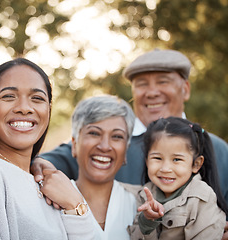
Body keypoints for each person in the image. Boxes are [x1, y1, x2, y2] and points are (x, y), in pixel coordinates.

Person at [34, 49, 228, 206]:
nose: (152, 92)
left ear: (185, 89)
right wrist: (38, 163)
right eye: (142, 84)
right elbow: (44, 162)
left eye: (163, 82)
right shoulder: (112, 144)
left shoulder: (219, 150)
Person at [0, 58, 95, 240]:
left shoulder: (50, 181)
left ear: (48, 110)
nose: (24, 108)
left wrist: (75, 204)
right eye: (9, 96)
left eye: (37, 98)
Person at [127, 117, 228, 239]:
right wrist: (147, 220)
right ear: (147, 161)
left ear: (196, 164)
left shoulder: (201, 198)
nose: (165, 168)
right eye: (157, 158)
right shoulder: (145, 194)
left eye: (176, 159)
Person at [65, 95, 138, 239]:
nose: (104, 146)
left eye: (117, 136)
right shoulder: (50, 201)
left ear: (125, 151)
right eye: (94, 133)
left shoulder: (142, 204)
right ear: (74, 145)